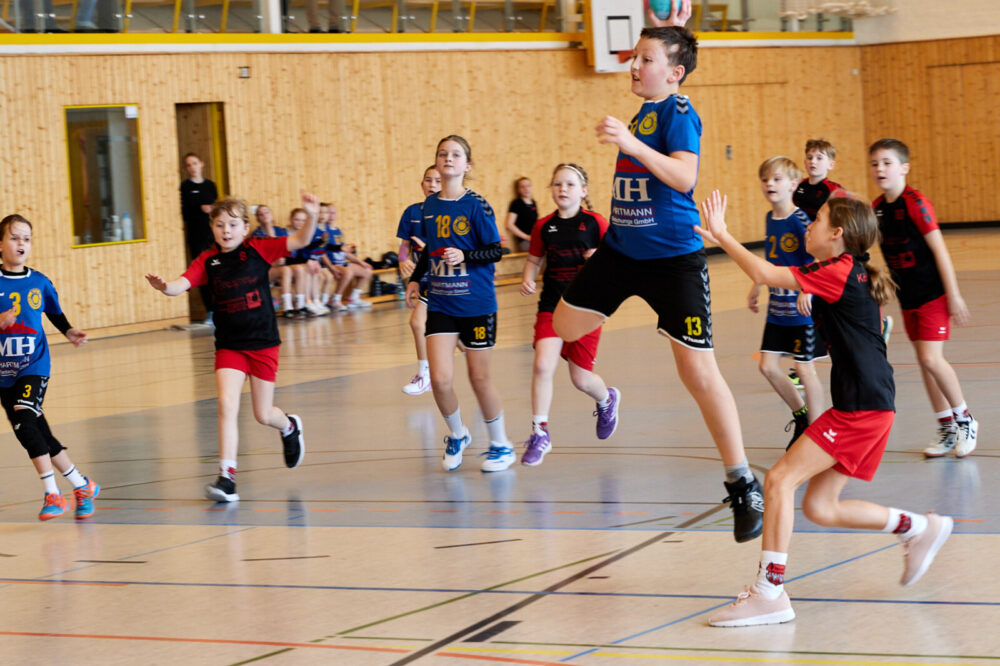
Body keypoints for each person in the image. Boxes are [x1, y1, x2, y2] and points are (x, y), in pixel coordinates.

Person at [698, 192, 953, 627]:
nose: (807, 226)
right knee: (820, 506)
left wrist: (722, 235)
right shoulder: (840, 272)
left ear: (837, 234)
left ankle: (769, 592)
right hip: (872, 404)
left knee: (778, 481)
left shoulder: (838, 270)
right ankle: (916, 527)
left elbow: (764, 271)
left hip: (862, 408)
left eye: (816, 220)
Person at [552, 22, 764, 542]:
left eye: (645, 58)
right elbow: (672, 65)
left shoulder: (678, 112)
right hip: (622, 251)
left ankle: (742, 483)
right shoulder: (647, 109)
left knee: (698, 373)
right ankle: (607, 394)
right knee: (563, 324)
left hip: (673, 261)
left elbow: (685, 177)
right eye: (635, 56)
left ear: (674, 73)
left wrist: (631, 144)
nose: (633, 64)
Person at [145, 191, 318, 502]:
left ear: (244, 227)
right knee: (227, 405)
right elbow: (179, 285)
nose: (226, 230)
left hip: (263, 343)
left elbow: (301, 240)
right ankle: (227, 478)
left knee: (263, 414)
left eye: (233, 224)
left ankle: (289, 426)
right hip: (229, 346)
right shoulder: (207, 260)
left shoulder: (259, 250)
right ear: (212, 227)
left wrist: (312, 215)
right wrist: (164, 287)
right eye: (220, 224)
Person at [406, 135, 514, 472]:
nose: (448, 158)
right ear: (437, 163)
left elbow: (496, 250)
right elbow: (428, 250)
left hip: (477, 305)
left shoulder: (477, 205)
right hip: (441, 303)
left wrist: (464, 255)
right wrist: (414, 278)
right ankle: (457, 434)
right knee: (439, 379)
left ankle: (501, 444)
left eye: (455, 154)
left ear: (466, 165)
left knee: (479, 378)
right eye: (442, 154)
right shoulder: (429, 207)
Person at [870, 138, 978, 458]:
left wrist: (954, 294)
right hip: (908, 298)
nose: (880, 169)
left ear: (904, 167)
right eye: (875, 163)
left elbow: (939, 250)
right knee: (923, 363)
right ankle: (945, 426)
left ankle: (965, 419)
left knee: (932, 359)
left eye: (887, 163)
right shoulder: (877, 209)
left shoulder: (916, 204)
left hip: (932, 294)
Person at [0, 214, 97, 520]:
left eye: (26, 239)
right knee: (37, 431)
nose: (21, 244)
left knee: (26, 418)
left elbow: (54, 312)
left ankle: (52, 494)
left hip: (34, 365)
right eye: (14, 237)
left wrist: (69, 331)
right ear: (0, 243)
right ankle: (82, 485)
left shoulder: (39, 282)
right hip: (4, 375)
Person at [519, 163, 615, 466]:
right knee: (542, 365)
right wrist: (528, 277)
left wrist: (601, 257)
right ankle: (540, 432)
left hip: (587, 308)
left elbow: (620, 258)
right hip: (552, 306)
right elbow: (534, 259)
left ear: (583, 191)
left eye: (570, 184)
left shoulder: (596, 223)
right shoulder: (543, 226)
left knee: (581, 379)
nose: (563, 189)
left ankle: (607, 399)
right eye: (557, 184)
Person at [751, 157, 825, 450]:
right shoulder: (771, 218)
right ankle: (803, 416)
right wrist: (755, 286)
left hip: (801, 313)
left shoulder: (800, 220)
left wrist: (810, 288)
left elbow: (819, 256)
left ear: (794, 185)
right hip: (777, 311)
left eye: (777, 179)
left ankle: (818, 435)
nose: (770, 184)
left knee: (805, 371)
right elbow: (771, 258)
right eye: (766, 179)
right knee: (768, 367)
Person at [397, 165, 442, 395]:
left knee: (453, 335)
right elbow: (403, 246)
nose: (432, 185)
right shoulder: (412, 212)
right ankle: (425, 374)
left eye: (437, 181)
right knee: (418, 323)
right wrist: (403, 260)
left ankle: (479, 373)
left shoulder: (448, 214)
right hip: (424, 280)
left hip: (446, 280)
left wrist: (429, 251)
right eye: (428, 180)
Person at [180, 153, 219, 325]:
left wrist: (212, 209)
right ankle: (210, 310)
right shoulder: (185, 187)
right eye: (188, 165)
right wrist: (199, 209)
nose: (192, 167)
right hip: (196, 235)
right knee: (203, 271)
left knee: (217, 271)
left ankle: (221, 308)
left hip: (212, 234)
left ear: (201, 164)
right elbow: (185, 212)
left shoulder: (210, 185)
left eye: (194, 163)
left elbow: (217, 207)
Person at [321, 204, 373, 312]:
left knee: (367, 270)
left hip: (342, 262)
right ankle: (335, 299)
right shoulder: (324, 231)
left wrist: (360, 262)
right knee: (348, 272)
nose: (331, 215)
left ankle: (353, 298)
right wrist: (331, 267)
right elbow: (322, 251)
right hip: (332, 263)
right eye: (328, 212)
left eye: (333, 212)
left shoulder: (338, 231)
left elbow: (344, 252)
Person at [251, 205, 292, 313]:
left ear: (272, 214)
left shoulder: (281, 231)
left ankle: (304, 304)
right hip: (266, 270)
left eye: (266, 212)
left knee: (301, 269)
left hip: (282, 266)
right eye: (260, 214)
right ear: (258, 219)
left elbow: (289, 252)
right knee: (286, 270)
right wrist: (273, 263)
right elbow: (255, 263)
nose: (264, 215)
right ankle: (288, 308)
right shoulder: (256, 236)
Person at [792, 138, 842, 222]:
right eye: (809, 157)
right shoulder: (797, 185)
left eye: (819, 158)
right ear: (805, 162)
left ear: (831, 165)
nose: (813, 161)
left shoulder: (835, 190)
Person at [504, 177, 538, 253]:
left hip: (536, 239)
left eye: (528, 186)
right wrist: (527, 237)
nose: (526, 189)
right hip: (526, 241)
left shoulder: (533, 202)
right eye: (522, 187)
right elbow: (509, 225)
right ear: (518, 190)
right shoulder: (517, 203)